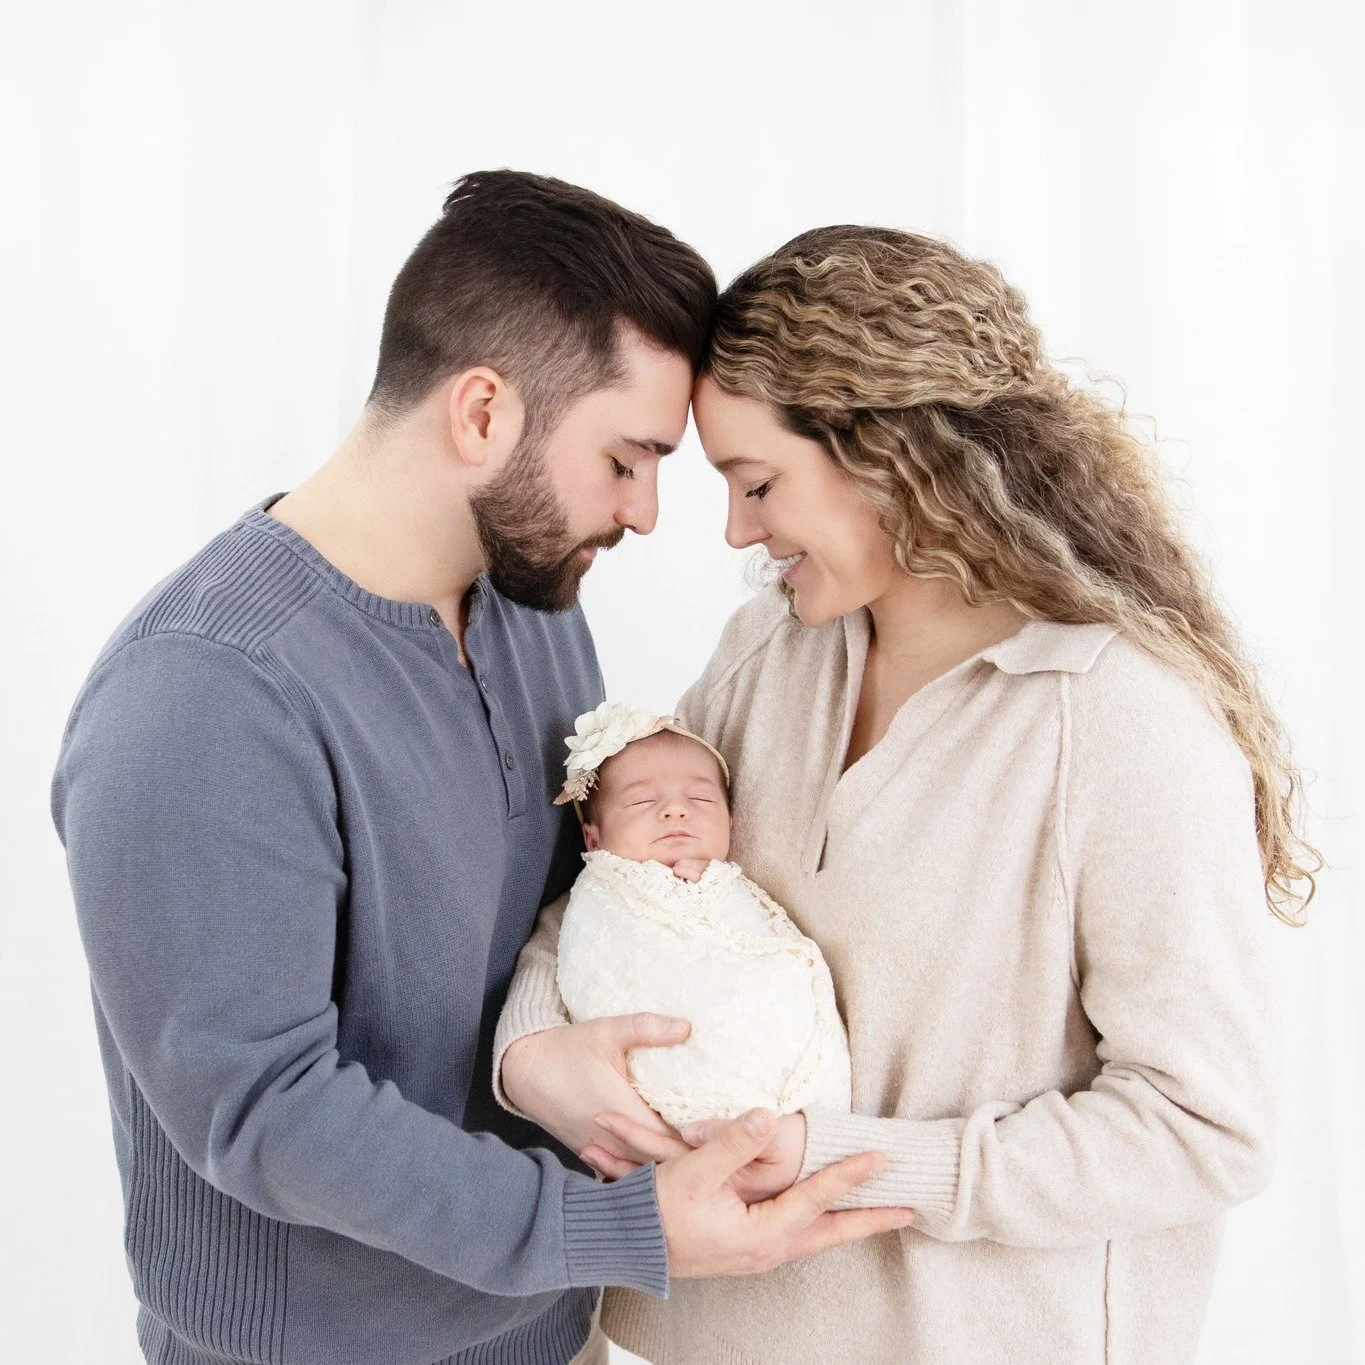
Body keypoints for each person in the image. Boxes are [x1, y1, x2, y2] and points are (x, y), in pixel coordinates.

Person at [50, 176, 911, 1365]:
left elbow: (568, 922)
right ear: (483, 412)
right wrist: (615, 1223)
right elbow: (263, 1110)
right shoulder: (202, 697)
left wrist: (544, 1064)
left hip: (559, 1328)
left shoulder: (530, 609)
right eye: (626, 459)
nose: (650, 512)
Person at [495, 225, 1319, 1363]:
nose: (737, 531)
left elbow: (1202, 1128)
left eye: (757, 483)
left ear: (893, 456)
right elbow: (615, 882)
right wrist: (534, 1053)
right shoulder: (764, 656)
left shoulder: (1121, 725)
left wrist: (863, 1161)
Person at [548, 703, 852, 1131]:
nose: (676, 810)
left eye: (700, 798)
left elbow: (765, 950)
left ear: (731, 821)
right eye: (642, 800)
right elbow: (590, 966)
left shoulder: (733, 887)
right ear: (593, 840)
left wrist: (718, 894)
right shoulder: (600, 898)